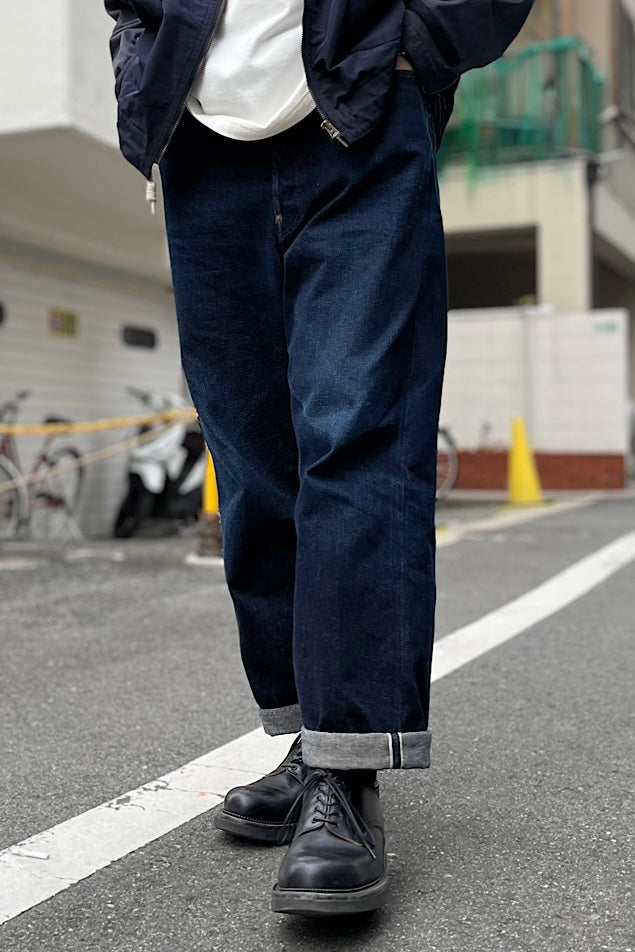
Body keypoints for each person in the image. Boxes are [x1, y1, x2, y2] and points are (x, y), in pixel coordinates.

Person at [105, 0, 534, 917]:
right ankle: (310, 737)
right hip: (202, 140)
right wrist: (144, 74)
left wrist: (415, 49)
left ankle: (348, 773)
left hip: (360, 113)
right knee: (253, 461)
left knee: (355, 438)